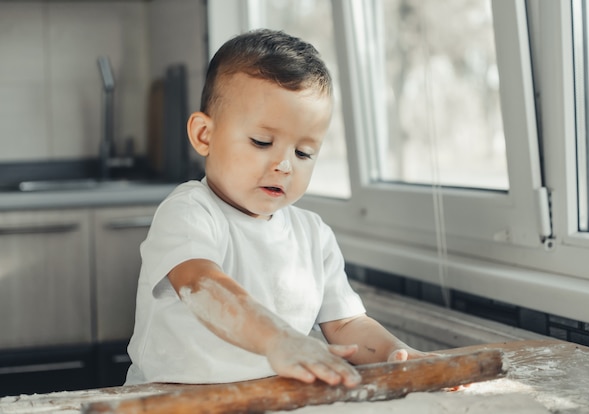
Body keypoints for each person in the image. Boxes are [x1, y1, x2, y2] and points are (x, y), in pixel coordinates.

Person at [125, 28, 430, 387]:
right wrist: (277, 339)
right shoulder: (189, 212)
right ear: (204, 135)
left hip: (272, 400)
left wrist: (402, 356)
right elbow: (202, 285)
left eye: (304, 153)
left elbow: (345, 324)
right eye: (262, 141)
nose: (285, 165)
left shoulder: (313, 234)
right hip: (172, 402)